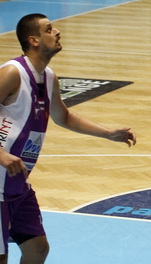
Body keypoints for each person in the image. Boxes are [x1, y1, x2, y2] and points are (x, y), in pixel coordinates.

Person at [0, 13, 137, 263]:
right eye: (48, 29)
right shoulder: (12, 72)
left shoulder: (49, 76)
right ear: (33, 40)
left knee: (37, 249)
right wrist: (1, 155)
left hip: (17, 183)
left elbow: (64, 117)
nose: (57, 32)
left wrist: (108, 133)